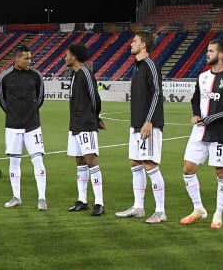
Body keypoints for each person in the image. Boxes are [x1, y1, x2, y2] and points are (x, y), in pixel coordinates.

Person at [181, 39, 223, 229]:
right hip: (199, 131)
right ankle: (198, 209)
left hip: (221, 133)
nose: (207, 54)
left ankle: (218, 213)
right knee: (188, 170)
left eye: (211, 51)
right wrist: (196, 115)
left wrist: (210, 118)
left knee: (221, 172)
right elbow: (195, 99)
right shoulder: (202, 77)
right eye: (207, 50)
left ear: (221, 55)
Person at [114, 31, 167, 223]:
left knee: (150, 164)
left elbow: (156, 93)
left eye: (135, 41)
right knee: (135, 163)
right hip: (136, 124)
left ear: (143, 44)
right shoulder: (137, 67)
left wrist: (149, 120)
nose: (131, 44)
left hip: (148, 124)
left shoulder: (150, 65)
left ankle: (160, 211)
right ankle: (138, 207)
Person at [0, 44, 48, 210]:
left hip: (33, 125)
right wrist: (13, 113)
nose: (29, 61)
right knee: (14, 161)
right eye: (26, 58)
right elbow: (2, 100)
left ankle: (42, 198)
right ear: (16, 59)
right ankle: (16, 196)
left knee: (38, 159)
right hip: (13, 125)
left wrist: (30, 112)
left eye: (30, 58)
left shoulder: (36, 75)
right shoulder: (4, 77)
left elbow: (40, 98)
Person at [65, 43, 105, 215]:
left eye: (67, 54)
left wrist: (95, 118)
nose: (65, 57)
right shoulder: (74, 75)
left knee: (90, 161)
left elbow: (95, 98)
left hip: (86, 124)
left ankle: (99, 203)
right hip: (75, 125)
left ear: (74, 57)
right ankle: (82, 200)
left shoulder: (86, 73)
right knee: (80, 161)